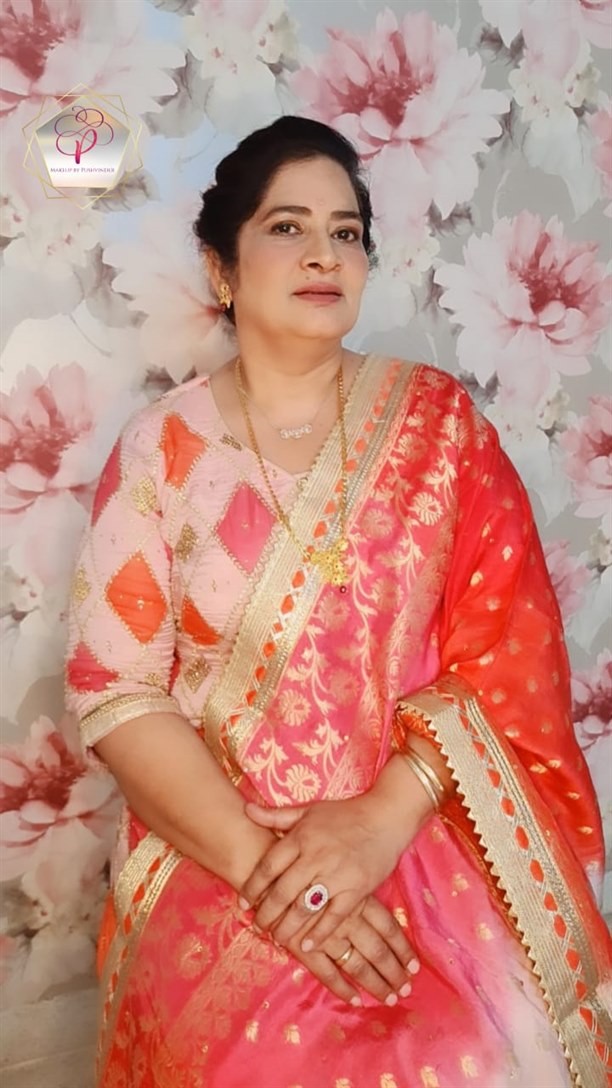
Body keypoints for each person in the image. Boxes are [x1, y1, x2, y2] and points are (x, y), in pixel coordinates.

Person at [65, 116, 611, 1088]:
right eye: (287, 226)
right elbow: (117, 689)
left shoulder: (441, 426)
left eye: (346, 231)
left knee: (476, 1054)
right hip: (219, 846)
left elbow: (507, 660)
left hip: (418, 824)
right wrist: (275, 877)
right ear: (222, 268)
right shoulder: (160, 450)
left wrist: (378, 824)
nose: (325, 252)